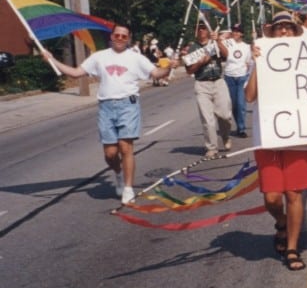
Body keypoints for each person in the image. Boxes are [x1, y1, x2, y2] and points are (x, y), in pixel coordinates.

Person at [41, 23, 178, 204]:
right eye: (117, 35)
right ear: (111, 37)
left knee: (125, 147)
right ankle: (119, 173)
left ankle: (128, 188)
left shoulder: (136, 58)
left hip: (128, 105)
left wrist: (168, 67)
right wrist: (52, 60)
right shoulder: (99, 57)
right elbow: (76, 73)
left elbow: (156, 73)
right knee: (110, 154)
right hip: (106, 107)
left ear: (128, 39)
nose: (120, 38)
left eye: (124, 36)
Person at [245, 11, 307, 271]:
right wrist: (257, 64)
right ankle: (281, 221)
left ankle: (292, 248)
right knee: (272, 198)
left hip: (299, 138)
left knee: (293, 193)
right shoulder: (260, 57)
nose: (284, 32)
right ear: (272, 32)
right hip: (268, 138)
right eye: (279, 28)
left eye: (289, 27)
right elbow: (249, 96)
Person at [183, 22, 233, 158]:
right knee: (207, 119)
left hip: (218, 81)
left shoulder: (214, 43)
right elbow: (189, 70)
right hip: (202, 84)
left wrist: (218, 41)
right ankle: (211, 147)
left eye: (204, 28)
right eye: (199, 28)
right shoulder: (192, 48)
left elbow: (226, 55)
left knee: (225, 115)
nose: (201, 30)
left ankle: (226, 136)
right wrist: (200, 62)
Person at [223, 23, 253, 137]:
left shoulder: (246, 47)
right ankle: (238, 125)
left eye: (237, 31)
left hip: (241, 77)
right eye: (234, 31)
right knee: (234, 105)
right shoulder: (228, 43)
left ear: (242, 34)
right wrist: (222, 38)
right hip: (229, 76)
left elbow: (249, 63)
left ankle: (241, 129)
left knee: (241, 104)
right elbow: (218, 45)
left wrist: (247, 77)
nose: (235, 33)